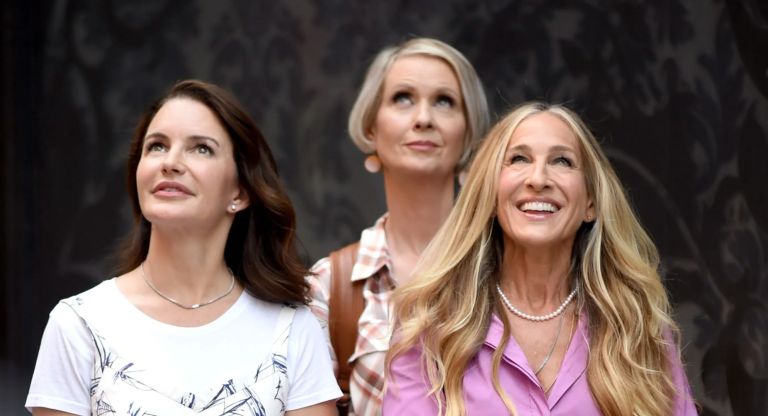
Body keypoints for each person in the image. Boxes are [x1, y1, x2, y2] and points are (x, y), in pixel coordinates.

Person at [26, 80, 341, 416]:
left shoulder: (291, 329)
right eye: (157, 146)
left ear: (240, 193)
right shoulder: (79, 325)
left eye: (201, 148)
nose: (171, 162)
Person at [384, 102, 698, 415]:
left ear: (591, 201)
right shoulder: (432, 321)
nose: (538, 178)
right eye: (519, 159)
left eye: (562, 161)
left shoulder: (636, 323)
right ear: (491, 195)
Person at [307, 37, 490, 416]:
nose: (423, 119)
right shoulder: (329, 287)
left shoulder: (507, 267)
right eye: (403, 98)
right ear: (372, 127)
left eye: (444, 101)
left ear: (468, 134)